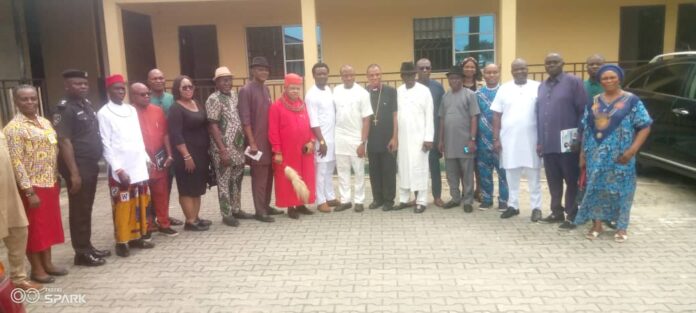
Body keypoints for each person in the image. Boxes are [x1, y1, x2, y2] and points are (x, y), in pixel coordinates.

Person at [574, 64, 652, 243]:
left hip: (622, 155)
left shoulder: (632, 101)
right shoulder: (594, 101)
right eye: (604, 78)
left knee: (622, 190)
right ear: (600, 81)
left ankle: (621, 227)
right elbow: (586, 129)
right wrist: (582, 154)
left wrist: (632, 151)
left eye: (612, 78)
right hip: (596, 155)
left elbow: (645, 126)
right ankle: (597, 224)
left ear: (619, 79)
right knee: (596, 188)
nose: (608, 81)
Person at [53, 69, 109, 266]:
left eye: (84, 84)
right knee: (79, 209)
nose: (83, 87)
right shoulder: (64, 109)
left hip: (89, 163)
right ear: (67, 86)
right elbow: (64, 141)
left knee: (86, 207)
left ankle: (87, 246)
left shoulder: (85, 104)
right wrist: (74, 174)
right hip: (77, 165)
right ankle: (81, 253)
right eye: (77, 84)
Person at [98, 74, 155, 257]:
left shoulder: (131, 110)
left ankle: (138, 236)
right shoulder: (103, 113)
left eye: (123, 88)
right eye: (117, 88)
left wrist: (146, 158)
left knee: (140, 202)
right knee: (123, 205)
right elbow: (105, 143)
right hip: (121, 167)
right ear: (108, 91)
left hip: (137, 163)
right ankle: (122, 241)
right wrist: (118, 168)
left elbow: (138, 137)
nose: (121, 91)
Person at [2, 85, 52, 289]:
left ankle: (32, 272)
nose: (30, 102)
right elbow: (17, 161)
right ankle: (28, 273)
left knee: (33, 230)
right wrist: (29, 190)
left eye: (33, 98)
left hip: (32, 186)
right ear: (16, 101)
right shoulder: (12, 128)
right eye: (25, 99)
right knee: (29, 231)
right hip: (27, 187)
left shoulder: (43, 122)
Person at [536, 53, 587, 230]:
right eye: (548, 62)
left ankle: (572, 215)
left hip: (569, 141)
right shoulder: (542, 86)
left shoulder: (574, 82)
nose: (551, 65)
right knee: (553, 179)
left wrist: (579, 137)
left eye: (554, 62)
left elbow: (583, 110)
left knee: (571, 180)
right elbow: (538, 115)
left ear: (562, 63)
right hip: (548, 142)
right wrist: (540, 141)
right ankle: (556, 212)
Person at [491, 59, 543, 222]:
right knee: (511, 175)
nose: (520, 71)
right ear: (512, 71)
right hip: (509, 140)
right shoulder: (504, 89)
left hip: (532, 140)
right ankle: (513, 206)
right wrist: (496, 139)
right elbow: (496, 115)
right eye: (516, 69)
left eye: (523, 68)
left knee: (534, 176)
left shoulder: (538, 87)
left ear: (527, 69)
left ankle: (536, 208)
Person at [206, 67, 255, 227]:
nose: (227, 83)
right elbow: (212, 125)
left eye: (229, 79)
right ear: (216, 82)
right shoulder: (213, 99)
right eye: (223, 80)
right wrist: (222, 150)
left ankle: (236, 209)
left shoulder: (235, 95)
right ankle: (226, 213)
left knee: (237, 179)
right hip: (223, 149)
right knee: (224, 180)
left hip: (238, 147)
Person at [239, 57, 284, 223]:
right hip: (256, 142)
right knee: (259, 176)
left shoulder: (264, 89)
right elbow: (245, 119)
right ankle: (259, 211)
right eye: (260, 69)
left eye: (266, 69)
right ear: (252, 71)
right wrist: (251, 142)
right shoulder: (246, 90)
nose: (264, 72)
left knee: (269, 174)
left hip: (269, 140)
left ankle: (266, 205)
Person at [132, 82, 179, 237]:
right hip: (139, 161)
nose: (146, 97)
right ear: (133, 96)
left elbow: (165, 134)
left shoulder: (157, 111)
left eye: (148, 94)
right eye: (142, 94)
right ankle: (146, 225)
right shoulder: (129, 113)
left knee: (161, 192)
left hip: (159, 158)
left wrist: (170, 154)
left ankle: (164, 223)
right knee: (143, 194)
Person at [268, 73, 316, 219]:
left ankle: (301, 203)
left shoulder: (303, 105)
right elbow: (273, 130)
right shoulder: (276, 106)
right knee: (288, 178)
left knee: (304, 176)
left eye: (297, 88)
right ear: (285, 87)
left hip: (303, 150)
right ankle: (290, 207)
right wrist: (277, 150)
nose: (295, 91)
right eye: (292, 88)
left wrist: (311, 141)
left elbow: (310, 125)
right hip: (286, 151)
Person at [168, 75, 212, 231]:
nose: (188, 90)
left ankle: (196, 216)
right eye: (184, 87)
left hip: (200, 153)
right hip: (185, 154)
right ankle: (190, 221)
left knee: (197, 186)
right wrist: (186, 155)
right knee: (187, 187)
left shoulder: (196, 103)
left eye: (190, 86)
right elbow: (176, 134)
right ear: (177, 90)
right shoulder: (175, 108)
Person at [392, 62, 434, 214]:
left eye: (411, 75)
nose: (409, 78)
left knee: (420, 169)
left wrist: (428, 138)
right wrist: (394, 138)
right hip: (403, 138)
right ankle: (403, 199)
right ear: (402, 76)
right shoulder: (398, 91)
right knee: (403, 168)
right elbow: (395, 116)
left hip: (419, 138)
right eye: (406, 75)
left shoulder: (424, 91)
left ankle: (421, 201)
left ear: (415, 75)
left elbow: (429, 115)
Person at [438, 65, 480, 212]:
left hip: (466, 143)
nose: (453, 81)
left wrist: (472, 139)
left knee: (467, 172)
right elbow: (442, 120)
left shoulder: (470, 95)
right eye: (451, 78)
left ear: (462, 79)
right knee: (451, 173)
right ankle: (455, 198)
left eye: (456, 78)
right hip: (449, 143)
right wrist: (441, 140)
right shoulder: (445, 96)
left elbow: (474, 118)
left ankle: (468, 201)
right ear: (448, 80)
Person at [332, 65, 372, 213]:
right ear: (341, 76)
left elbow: (367, 119)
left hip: (357, 137)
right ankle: (345, 200)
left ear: (355, 75)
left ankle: (359, 200)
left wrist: (363, 142)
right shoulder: (335, 91)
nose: (348, 78)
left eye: (350, 75)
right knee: (342, 170)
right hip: (340, 136)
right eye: (345, 75)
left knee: (359, 171)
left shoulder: (362, 93)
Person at [147, 68, 184, 227]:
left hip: (172, 147)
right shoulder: (145, 99)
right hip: (153, 149)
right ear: (149, 82)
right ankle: (151, 218)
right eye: (154, 78)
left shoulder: (171, 98)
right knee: (152, 184)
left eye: (161, 78)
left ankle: (164, 215)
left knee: (167, 183)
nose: (158, 81)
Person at [306, 62, 339, 213]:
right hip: (322, 139)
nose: (322, 76)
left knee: (330, 168)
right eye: (319, 74)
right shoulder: (311, 95)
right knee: (321, 170)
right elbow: (313, 121)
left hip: (332, 137)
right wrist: (321, 141)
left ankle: (330, 196)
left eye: (324, 73)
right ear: (313, 75)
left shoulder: (328, 90)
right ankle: (320, 200)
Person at [366, 64, 398, 212]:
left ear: (381, 75)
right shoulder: (364, 93)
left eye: (377, 74)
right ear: (367, 77)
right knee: (374, 171)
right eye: (372, 75)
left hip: (387, 138)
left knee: (388, 171)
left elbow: (395, 115)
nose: (375, 77)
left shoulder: (391, 92)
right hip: (372, 138)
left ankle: (388, 200)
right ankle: (377, 199)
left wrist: (394, 137)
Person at [476, 64, 508, 211]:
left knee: (503, 172)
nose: (491, 75)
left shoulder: (506, 92)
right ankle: (487, 199)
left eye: (494, 72)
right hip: (482, 139)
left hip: (502, 138)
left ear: (499, 73)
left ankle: (503, 201)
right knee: (484, 171)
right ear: (484, 74)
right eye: (488, 72)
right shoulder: (478, 94)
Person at [416, 58, 445, 208]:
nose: (425, 71)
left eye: (428, 68)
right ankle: (417, 197)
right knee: (417, 168)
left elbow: (442, 114)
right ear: (416, 70)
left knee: (434, 167)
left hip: (432, 134)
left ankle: (437, 196)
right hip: (415, 135)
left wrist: (440, 138)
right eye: (421, 68)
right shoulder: (410, 87)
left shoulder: (438, 87)